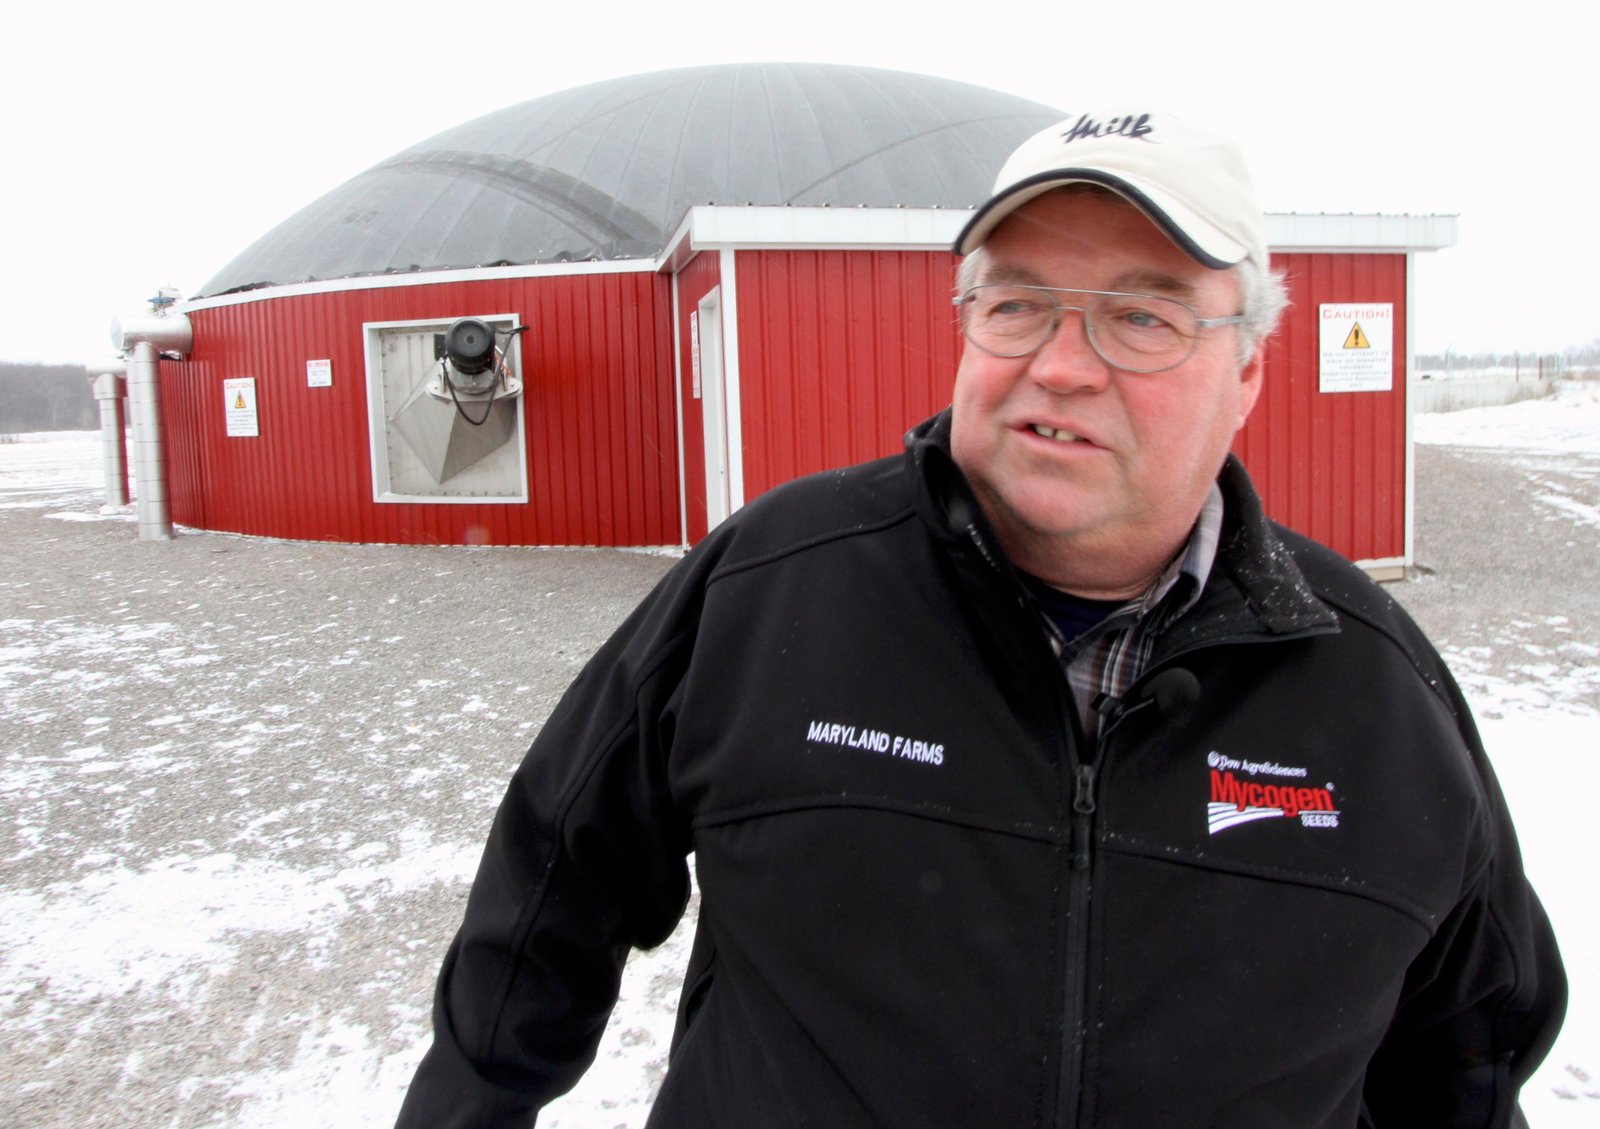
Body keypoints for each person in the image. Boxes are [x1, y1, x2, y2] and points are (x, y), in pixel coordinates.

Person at [395, 109, 1565, 1128]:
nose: (1061, 364)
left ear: (1248, 368)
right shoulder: (770, 586)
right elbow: (555, 878)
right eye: (1017, 303)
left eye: (1143, 317)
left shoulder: (1368, 686)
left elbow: (1469, 1051)